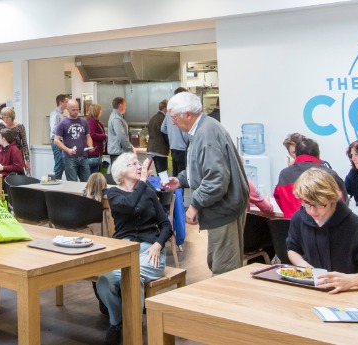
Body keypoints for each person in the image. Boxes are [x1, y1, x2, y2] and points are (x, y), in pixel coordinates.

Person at [163, 92, 249, 275]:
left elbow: (217, 180)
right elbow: (201, 168)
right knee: (218, 262)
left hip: (224, 210)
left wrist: (195, 205)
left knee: (224, 270)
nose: (172, 123)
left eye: (174, 117)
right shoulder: (202, 129)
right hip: (222, 209)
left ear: (187, 114)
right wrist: (181, 180)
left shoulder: (206, 134)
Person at [99, 152, 172, 345]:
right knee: (104, 281)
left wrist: (158, 244)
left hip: (150, 250)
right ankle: (117, 323)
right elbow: (130, 205)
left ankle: (134, 330)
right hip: (124, 249)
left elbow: (166, 224)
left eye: (138, 163)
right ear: (121, 172)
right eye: (133, 164)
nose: (138, 166)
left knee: (133, 275)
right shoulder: (114, 194)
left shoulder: (147, 191)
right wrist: (142, 182)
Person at [286, 168, 358, 294]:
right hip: (313, 292)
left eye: (320, 204)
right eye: (306, 204)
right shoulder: (299, 218)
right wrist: (307, 268)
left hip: (350, 296)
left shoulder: (356, 227)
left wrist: (351, 280)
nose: (312, 211)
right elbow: (293, 249)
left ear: (332, 198)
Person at [274, 137, 348, 219]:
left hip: (290, 227)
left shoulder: (284, 174)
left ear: (296, 154)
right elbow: (342, 204)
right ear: (317, 155)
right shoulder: (329, 175)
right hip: (323, 228)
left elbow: (279, 200)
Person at [54, 99, 93, 182]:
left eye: (77, 110)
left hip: (83, 156)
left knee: (87, 182)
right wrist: (68, 150)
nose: (76, 112)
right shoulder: (63, 123)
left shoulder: (84, 122)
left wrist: (90, 146)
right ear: (67, 109)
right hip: (69, 158)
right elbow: (56, 140)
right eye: (73, 110)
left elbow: (88, 136)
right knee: (72, 183)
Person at [161, 87, 190, 176]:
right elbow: (185, 133)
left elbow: (163, 128)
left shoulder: (169, 112)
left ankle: (175, 190)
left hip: (173, 147)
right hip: (183, 148)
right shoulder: (182, 111)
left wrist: (172, 136)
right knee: (183, 175)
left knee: (175, 173)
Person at [0, 107, 31, 175]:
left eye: (8, 117)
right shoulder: (1, 125)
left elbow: (24, 143)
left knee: (18, 171)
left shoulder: (19, 126)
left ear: (12, 117)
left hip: (17, 153)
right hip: (5, 155)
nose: (5, 120)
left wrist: (27, 160)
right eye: (4, 117)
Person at [107, 97, 133, 162]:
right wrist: (130, 149)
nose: (126, 107)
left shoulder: (115, 116)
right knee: (119, 172)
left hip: (117, 152)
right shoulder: (116, 119)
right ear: (120, 106)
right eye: (125, 105)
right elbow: (121, 136)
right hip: (118, 153)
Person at [147, 99, 170, 174]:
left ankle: (159, 184)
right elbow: (165, 134)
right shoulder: (163, 119)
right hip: (160, 149)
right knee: (162, 173)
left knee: (158, 171)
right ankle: (162, 185)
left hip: (151, 148)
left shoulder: (153, 118)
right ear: (165, 108)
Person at [49, 94, 69, 179]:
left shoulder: (62, 114)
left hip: (61, 142)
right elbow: (54, 129)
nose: (67, 103)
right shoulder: (55, 114)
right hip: (57, 142)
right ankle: (54, 187)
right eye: (66, 102)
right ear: (61, 102)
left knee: (62, 165)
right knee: (59, 165)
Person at [86, 103, 107, 174]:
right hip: (94, 152)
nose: (101, 112)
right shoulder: (91, 122)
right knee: (94, 174)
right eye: (100, 110)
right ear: (96, 111)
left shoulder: (96, 121)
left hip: (97, 152)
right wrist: (104, 136)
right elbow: (92, 135)